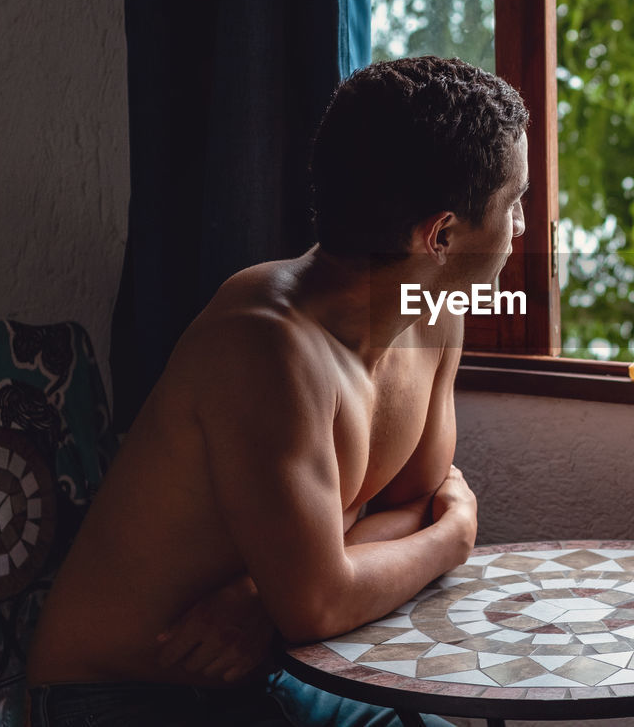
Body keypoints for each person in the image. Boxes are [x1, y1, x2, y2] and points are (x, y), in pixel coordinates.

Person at [26, 56, 530, 726]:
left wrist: (264, 592)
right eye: (513, 203)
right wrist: (455, 537)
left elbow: (413, 505)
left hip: (269, 670)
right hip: (124, 694)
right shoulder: (266, 343)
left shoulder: (434, 317)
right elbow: (334, 595)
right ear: (440, 235)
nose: (522, 229)